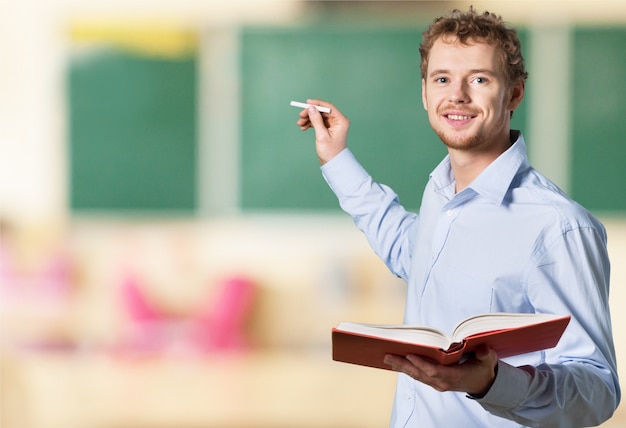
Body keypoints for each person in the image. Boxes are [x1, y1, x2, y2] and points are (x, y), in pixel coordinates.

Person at [295, 7, 620, 428]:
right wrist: (337, 158)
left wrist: (493, 382)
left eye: (480, 79)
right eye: (442, 79)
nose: (458, 95)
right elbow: (408, 251)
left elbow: (597, 392)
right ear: (425, 93)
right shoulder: (440, 192)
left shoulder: (557, 227)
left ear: (515, 94)